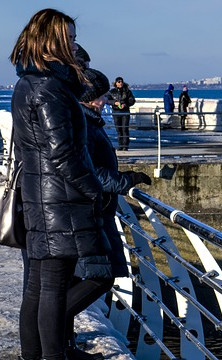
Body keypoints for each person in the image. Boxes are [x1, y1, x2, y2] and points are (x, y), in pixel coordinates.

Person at [10, 8, 110, 360]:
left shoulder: (27, 82)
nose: (73, 43)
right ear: (52, 41)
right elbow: (64, 153)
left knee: (39, 286)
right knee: (51, 287)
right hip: (61, 203)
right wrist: (95, 192)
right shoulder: (50, 88)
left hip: (41, 199)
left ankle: (33, 355)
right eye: (69, 38)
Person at [65, 67, 151, 360]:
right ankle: (52, 327)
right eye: (101, 96)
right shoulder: (84, 125)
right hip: (91, 213)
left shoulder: (87, 120)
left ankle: (64, 342)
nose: (106, 101)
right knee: (100, 277)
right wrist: (128, 180)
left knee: (79, 279)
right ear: (89, 98)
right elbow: (94, 173)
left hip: (94, 210)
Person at [106, 76, 135, 151]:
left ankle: (125, 145)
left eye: (121, 81)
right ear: (116, 83)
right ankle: (120, 145)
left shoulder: (127, 91)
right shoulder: (112, 92)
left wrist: (125, 104)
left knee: (125, 128)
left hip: (125, 111)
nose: (120, 83)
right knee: (118, 129)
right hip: (116, 111)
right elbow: (107, 100)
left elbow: (132, 100)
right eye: (119, 82)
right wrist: (114, 103)